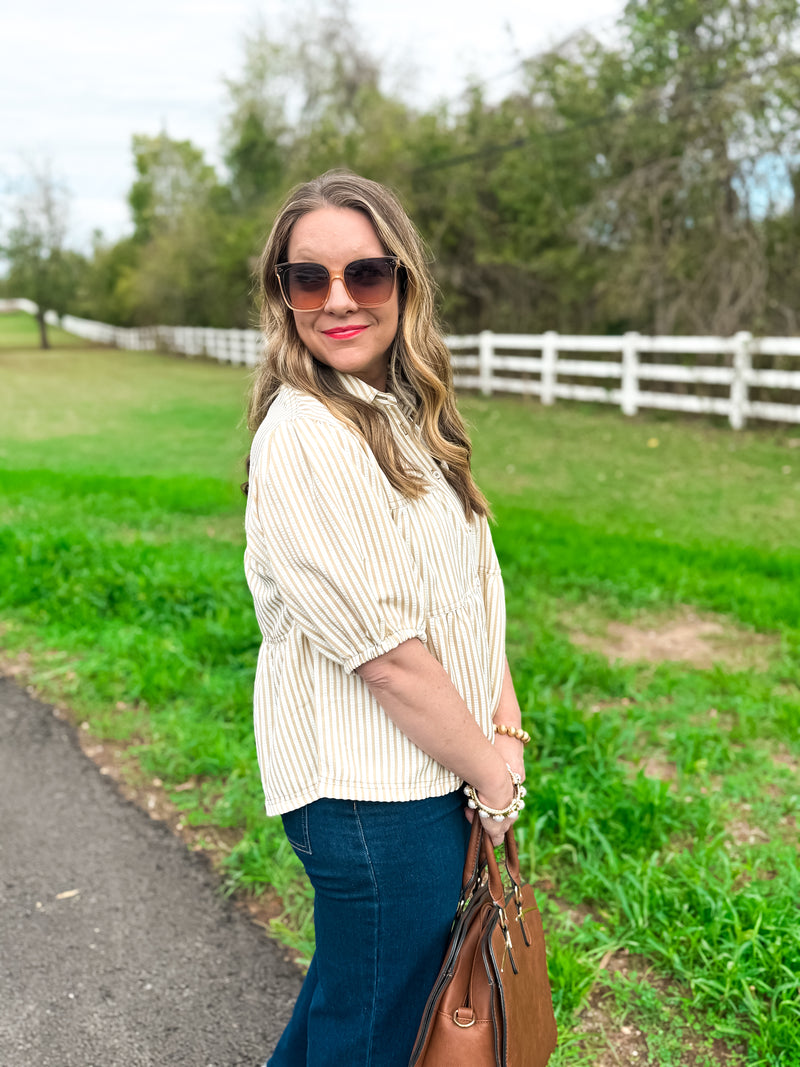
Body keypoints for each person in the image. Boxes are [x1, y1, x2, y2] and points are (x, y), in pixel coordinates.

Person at [243, 170, 528, 1067]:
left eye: (365, 274)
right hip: (371, 797)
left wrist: (506, 725)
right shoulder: (304, 436)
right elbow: (389, 655)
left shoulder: (406, 415)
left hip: (429, 771)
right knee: (373, 1029)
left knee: (355, 1004)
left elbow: (468, 592)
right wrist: (494, 777)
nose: (337, 301)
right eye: (308, 278)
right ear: (282, 295)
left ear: (403, 283)